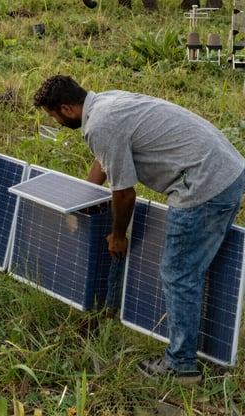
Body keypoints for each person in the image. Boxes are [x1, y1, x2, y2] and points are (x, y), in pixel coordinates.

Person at [33, 74, 245, 385]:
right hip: (226, 169)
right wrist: (84, 198)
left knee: (179, 274)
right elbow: (105, 160)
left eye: (53, 116)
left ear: (66, 109)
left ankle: (181, 365)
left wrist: (118, 236)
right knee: (192, 269)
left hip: (204, 185)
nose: (56, 122)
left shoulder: (99, 125)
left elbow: (124, 194)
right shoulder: (106, 102)